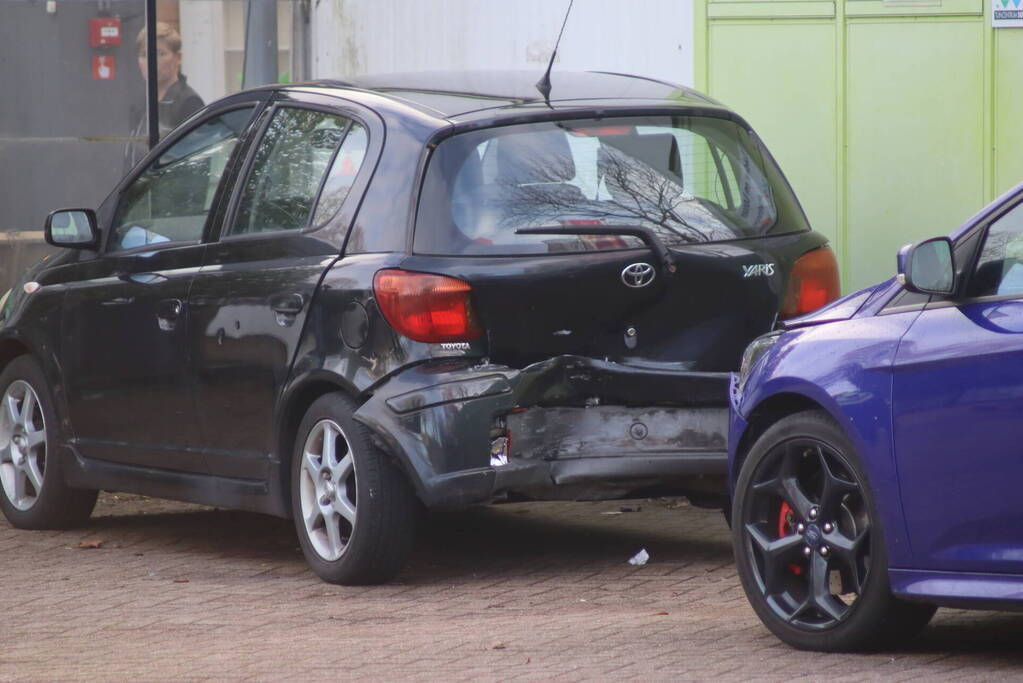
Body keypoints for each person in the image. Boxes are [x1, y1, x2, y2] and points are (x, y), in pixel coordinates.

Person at [124, 22, 204, 170]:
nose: (151, 61)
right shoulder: (140, 103)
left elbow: (197, 163)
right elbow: (131, 157)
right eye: (145, 55)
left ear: (178, 58)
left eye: (160, 54)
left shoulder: (189, 102)